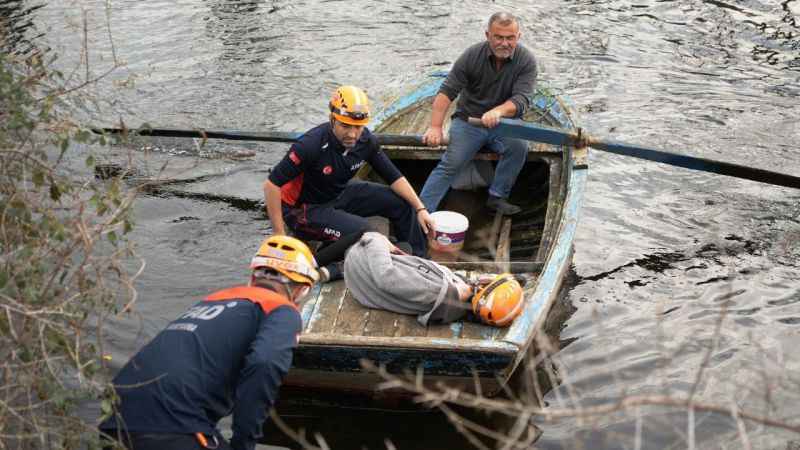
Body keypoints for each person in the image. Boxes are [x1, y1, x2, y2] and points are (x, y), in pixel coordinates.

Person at [99, 235, 319, 450]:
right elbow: (265, 363)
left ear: (253, 276)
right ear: (302, 291)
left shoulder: (214, 300)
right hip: (173, 425)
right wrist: (244, 443)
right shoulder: (282, 309)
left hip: (113, 419)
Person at [264, 85, 434, 281]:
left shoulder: (366, 141)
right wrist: (279, 235)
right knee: (368, 233)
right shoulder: (309, 145)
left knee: (401, 201)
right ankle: (332, 267)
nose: (352, 134)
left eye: (358, 127)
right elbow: (271, 185)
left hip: (338, 194)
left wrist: (420, 208)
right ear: (332, 119)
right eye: (345, 126)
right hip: (304, 209)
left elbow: (394, 177)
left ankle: (419, 260)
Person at [419, 12, 537, 216]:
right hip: (469, 122)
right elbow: (446, 93)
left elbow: (522, 100)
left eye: (510, 38)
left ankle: (497, 197)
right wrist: (435, 127)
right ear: (487, 35)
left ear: (518, 36)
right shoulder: (471, 56)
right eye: (498, 37)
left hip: (505, 123)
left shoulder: (526, 61)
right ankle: (421, 211)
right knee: (452, 163)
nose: (504, 43)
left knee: (519, 147)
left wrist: (498, 112)